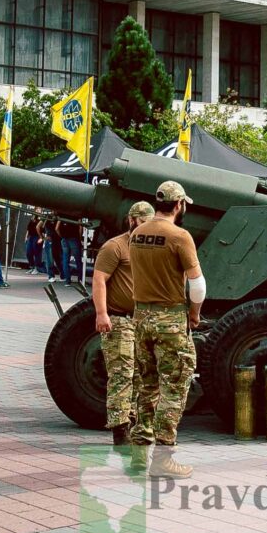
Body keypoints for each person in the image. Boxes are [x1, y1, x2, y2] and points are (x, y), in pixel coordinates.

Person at [128, 181, 205, 478]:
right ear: (178, 205)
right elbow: (197, 285)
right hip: (170, 321)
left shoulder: (137, 234)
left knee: (147, 386)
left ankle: (138, 452)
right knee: (174, 387)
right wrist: (194, 314)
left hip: (141, 318)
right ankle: (163, 459)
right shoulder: (179, 236)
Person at [93, 202, 154, 445]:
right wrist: (101, 313)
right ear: (131, 220)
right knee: (122, 374)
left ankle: (135, 422)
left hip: (142, 320)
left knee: (142, 375)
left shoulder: (150, 247)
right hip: (119, 319)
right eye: (142, 222)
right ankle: (120, 429)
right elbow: (99, 280)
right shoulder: (115, 247)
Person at [59, 217, 85, 286]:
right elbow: (80, 228)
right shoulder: (77, 215)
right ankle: (80, 280)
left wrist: (62, 237)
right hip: (74, 238)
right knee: (78, 261)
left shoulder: (63, 215)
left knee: (65, 261)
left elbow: (56, 228)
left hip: (64, 239)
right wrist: (79, 239)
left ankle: (67, 281)